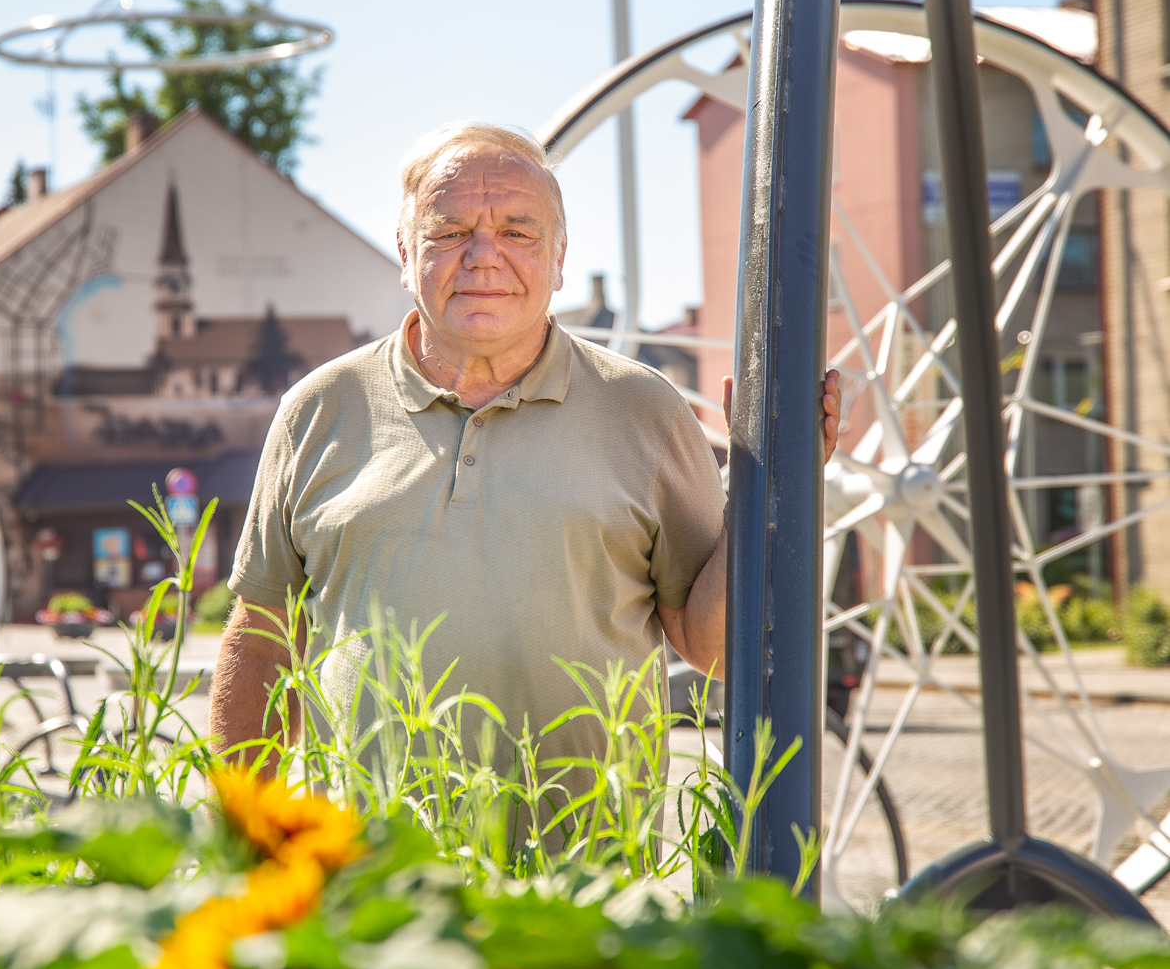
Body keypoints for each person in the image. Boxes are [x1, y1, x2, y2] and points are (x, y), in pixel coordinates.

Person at [210, 120, 840, 772]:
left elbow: (713, 649)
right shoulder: (319, 410)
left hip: (584, 866)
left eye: (518, 232)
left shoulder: (645, 411)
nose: (484, 255)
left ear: (560, 258)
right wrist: (243, 832)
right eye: (450, 232)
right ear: (405, 253)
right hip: (370, 867)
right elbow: (260, 643)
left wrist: (776, 479)